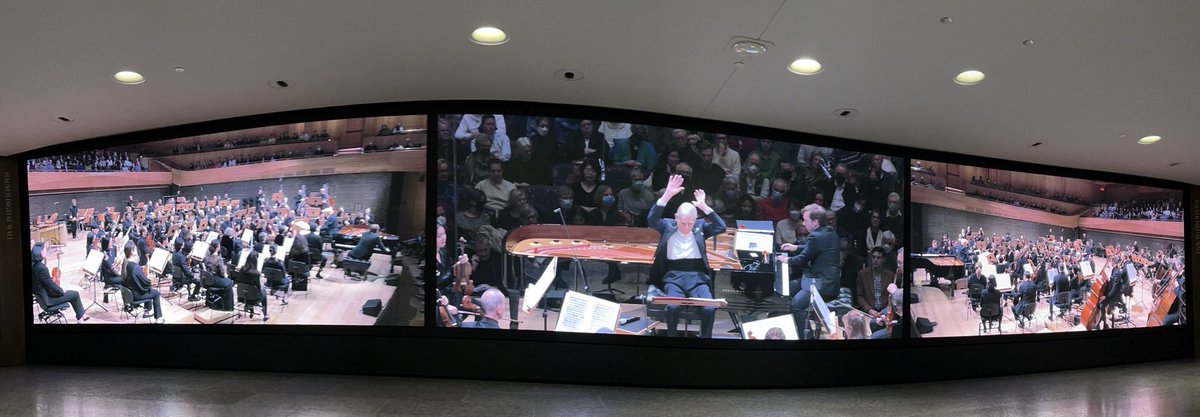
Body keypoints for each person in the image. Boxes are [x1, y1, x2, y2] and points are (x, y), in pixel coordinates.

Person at [647, 174, 725, 338]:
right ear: (676, 218)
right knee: (672, 307)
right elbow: (652, 219)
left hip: (697, 277)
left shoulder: (700, 226)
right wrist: (667, 195)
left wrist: (705, 207)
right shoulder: (668, 226)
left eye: (691, 223)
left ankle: (705, 339)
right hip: (673, 276)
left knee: (710, 307)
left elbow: (721, 227)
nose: (687, 227)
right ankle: (673, 338)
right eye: (683, 223)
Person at [776, 203, 839, 339]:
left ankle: (807, 337)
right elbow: (813, 247)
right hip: (826, 280)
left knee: (796, 304)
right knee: (789, 287)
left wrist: (785, 260)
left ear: (815, 222)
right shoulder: (829, 231)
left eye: (806, 220)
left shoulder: (815, 236)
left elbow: (802, 259)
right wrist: (794, 247)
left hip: (822, 284)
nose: (803, 223)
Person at [31, 243, 88, 323]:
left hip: (42, 298)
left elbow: (43, 281)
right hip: (48, 301)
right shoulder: (42, 268)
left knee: (72, 294)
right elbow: (51, 285)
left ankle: (81, 316)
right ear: (40, 252)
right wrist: (61, 291)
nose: (46, 252)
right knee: (74, 294)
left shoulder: (33, 266)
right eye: (45, 250)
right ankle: (80, 318)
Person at [123, 242, 163, 323]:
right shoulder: (135, 267)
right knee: (156, 293)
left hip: (128, 293)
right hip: (135, 295)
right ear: (132, 251)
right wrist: (149, 278)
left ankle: (147, 310)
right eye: (135, 249)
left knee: (149, 289)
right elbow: (146, 282)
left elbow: (135, 276)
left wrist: (141, 271)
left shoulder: (125, 262)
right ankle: (158, 318)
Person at [856, 247, 896, 318]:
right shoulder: (862, 274)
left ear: (883, 260)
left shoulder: (890, 275)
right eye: (873, 257)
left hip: (885, 312)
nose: (875, 260)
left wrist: (885, 311)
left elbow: (892, 296)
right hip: (868, 312)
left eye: (878, 258)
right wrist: (869, 310)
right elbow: (859, 296)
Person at [235, 251, 270, 321]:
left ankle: (250, 308)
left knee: (249, 289)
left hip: (241, 296)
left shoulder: (242, 269)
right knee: (263, 291)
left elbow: (238, 281)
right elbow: (258, 288)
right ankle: (265, 314)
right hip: (253, 298)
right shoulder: (256, 273)